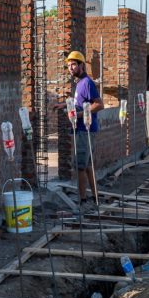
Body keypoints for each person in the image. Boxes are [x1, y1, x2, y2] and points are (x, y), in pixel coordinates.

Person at [65, 51, 103, 204]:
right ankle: (95, 197)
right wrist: (64, 105)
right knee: (87, 165)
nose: (71, 68)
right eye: (68, 65)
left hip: (85, 130)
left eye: (73, 64)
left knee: (80, 166)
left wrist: (78, 115)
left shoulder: (86, 82)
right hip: (83, 129)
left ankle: (82, 201)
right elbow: (80, 105)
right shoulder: (79, 83)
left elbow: (99, 104)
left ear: (81, 65)